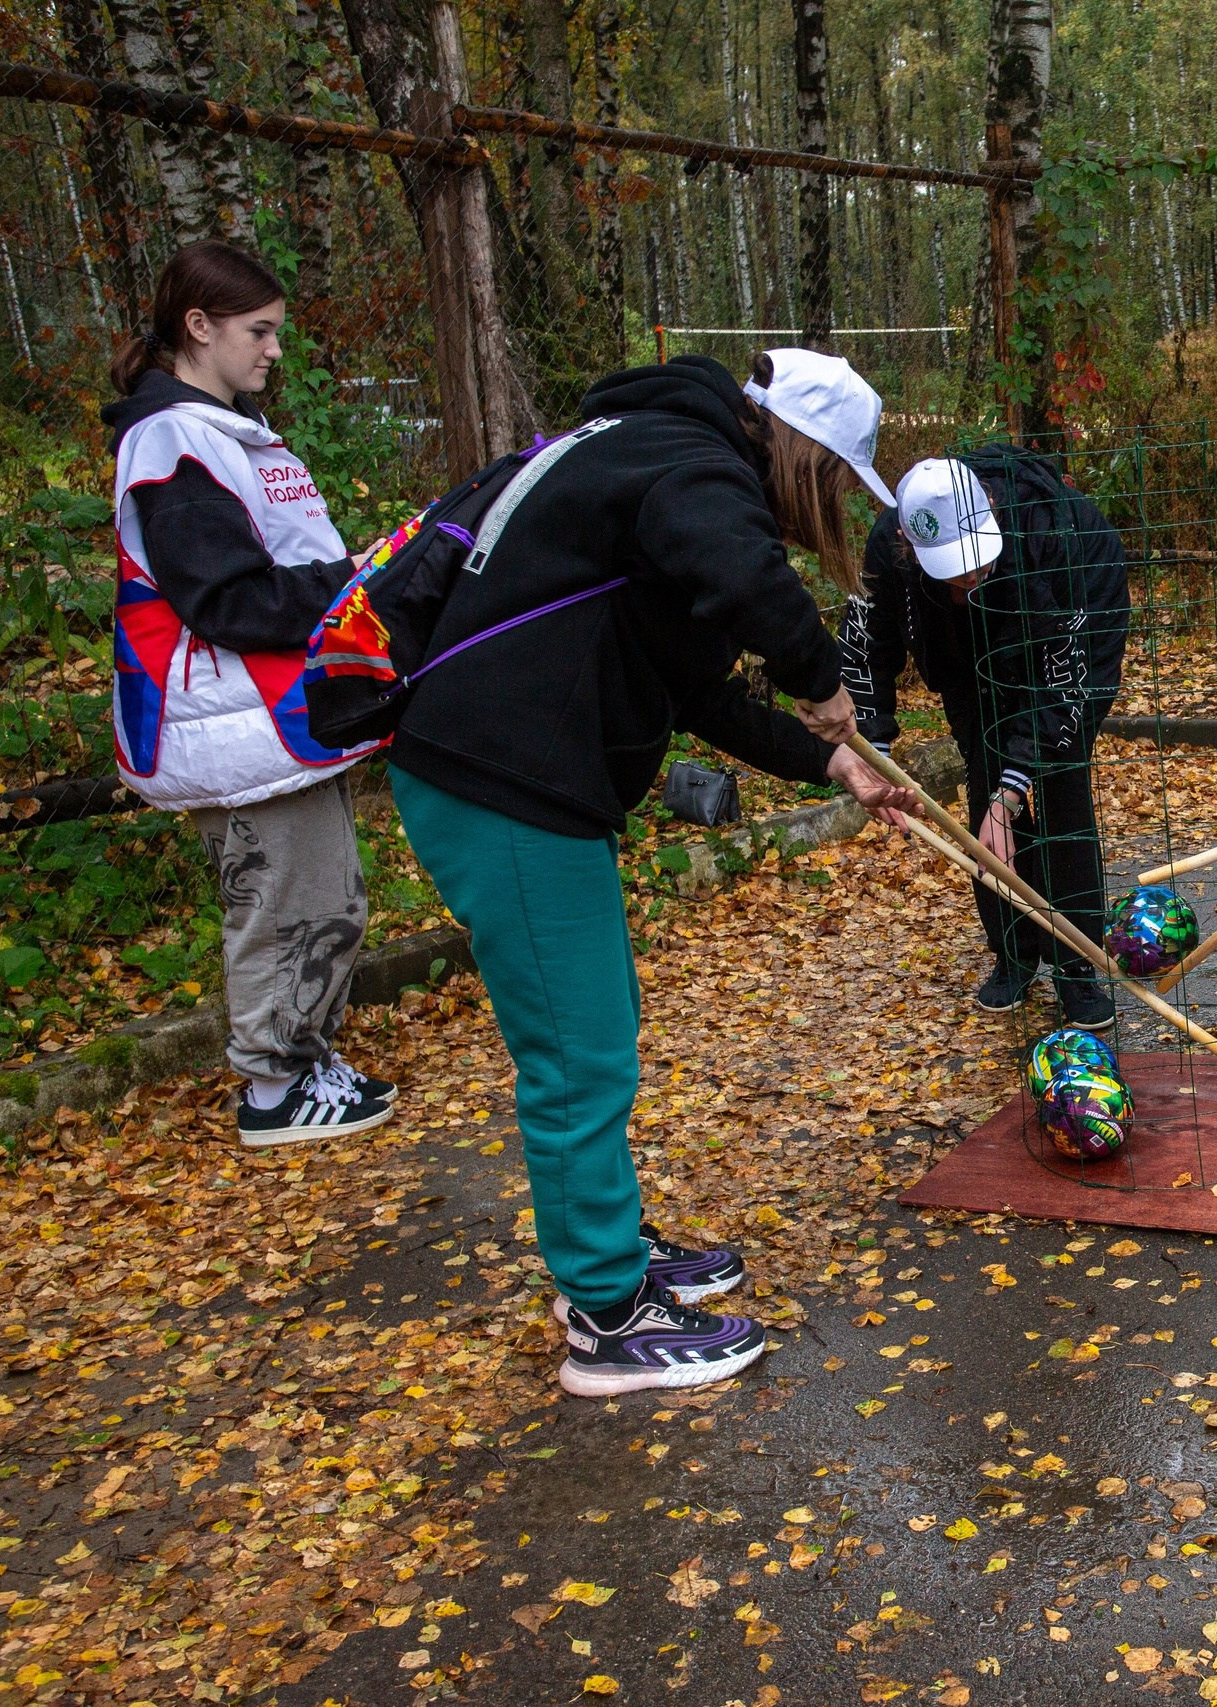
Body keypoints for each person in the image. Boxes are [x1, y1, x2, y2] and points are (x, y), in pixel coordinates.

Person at [385, 348, 921, 1396]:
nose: (818, 510)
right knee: (579, 1057)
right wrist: (820, 681)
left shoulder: (645, 461)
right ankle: (606, 1318)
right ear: (800, 447)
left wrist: (833, 760)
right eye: (830, 480)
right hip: (502, 784)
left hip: (516, 780)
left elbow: (698, 689)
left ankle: (612, 1256)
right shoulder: (687, 461)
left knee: (597, 1029)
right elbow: (745, 575)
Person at [105, 239, 397, 1146]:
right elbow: (225, 596)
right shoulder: (173, 443)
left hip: (270, 714)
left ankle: (302, 1060)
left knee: (326, 892)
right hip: (232, 721)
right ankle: (272, 1087)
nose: (274, 350)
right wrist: (347, 585)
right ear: (199, 327)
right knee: (281, 901)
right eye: (258, 331)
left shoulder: (224, 433)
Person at [838, 447, 1131, 1031]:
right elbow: (867, 651)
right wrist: (875, 751)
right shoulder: (888, 551)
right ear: (910, 547)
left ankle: (1078, 964)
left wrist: (1015, 789)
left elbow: (1064, 683)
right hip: (964, 659)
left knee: (1058, 787)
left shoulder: (1055, 536)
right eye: (950, 570)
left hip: (1066, 643)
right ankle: (1013, 953)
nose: (967, 578)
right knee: (983, 784)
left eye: (974, 563)